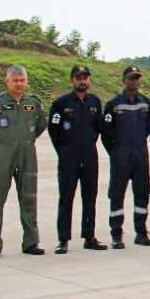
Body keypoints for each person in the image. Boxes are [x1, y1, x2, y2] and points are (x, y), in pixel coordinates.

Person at [0, 65, 46, 259]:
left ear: (26, 81)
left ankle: (31, 242)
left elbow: (40, 125)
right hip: (2, 156)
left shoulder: (33, 103)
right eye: (15, 80)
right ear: (7, 81)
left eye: (22, 80)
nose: (19, 84)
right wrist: (3, 144)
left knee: (29, 198)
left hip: (27, 155)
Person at [48, 65, 107, 253]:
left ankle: (89, 237)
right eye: (78, 78)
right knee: (66, 197)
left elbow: (98, 129)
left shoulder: (95, 102)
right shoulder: (61, 103)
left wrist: (88, 145)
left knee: (90, 197)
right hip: (68, 157)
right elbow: (54, 131)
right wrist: (64, 151)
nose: (82, 81)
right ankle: (63, 239)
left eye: (85, 78)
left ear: (89, 80)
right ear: (72, 80)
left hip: (89, 155)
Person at [101, 66, 150, 248]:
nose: (134, 81)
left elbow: (148, 129)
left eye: (137, 78)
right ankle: (116, 234)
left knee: (142, 194)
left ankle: (141, 232)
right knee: (117, 195)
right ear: (124, 80)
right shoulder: (113, 104)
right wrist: (116, 152)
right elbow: (106, 134)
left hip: (140, 155)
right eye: (131, 78)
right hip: (120, 157)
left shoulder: (146, 103)